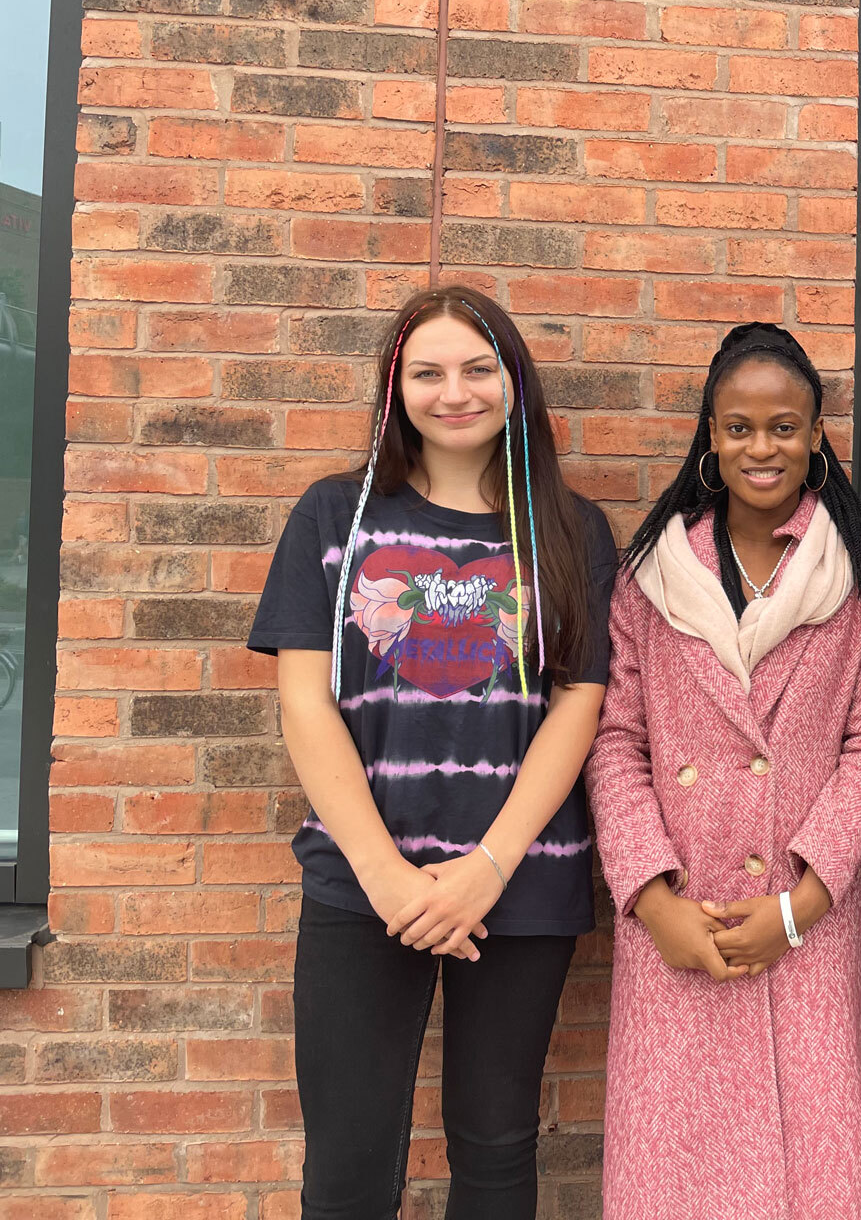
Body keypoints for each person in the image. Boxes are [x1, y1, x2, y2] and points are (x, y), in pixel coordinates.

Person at [247, 285, 618, 1219]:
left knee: (496, 1156)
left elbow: (579, 706)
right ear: (395, 389)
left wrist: (486, 871)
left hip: (519, 886)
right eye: (428, 372)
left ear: (513, 382)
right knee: (348, 1168)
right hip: (360, 883)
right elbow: (305, 702)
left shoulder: (571, 531)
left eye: (478, 368)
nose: (455, 392)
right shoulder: (335, 517)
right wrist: (388, 879)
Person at [587, 322, 861, 1220]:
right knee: (673, 1177)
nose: (760, 447)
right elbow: (617, 742)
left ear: (815, 439)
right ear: (710, 438)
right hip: (677, 922)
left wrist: (800, 907)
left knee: (802, 1177)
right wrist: (652, 902)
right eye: (738, 427)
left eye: (782, 427)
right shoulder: (646, 579)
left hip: (803, 921)